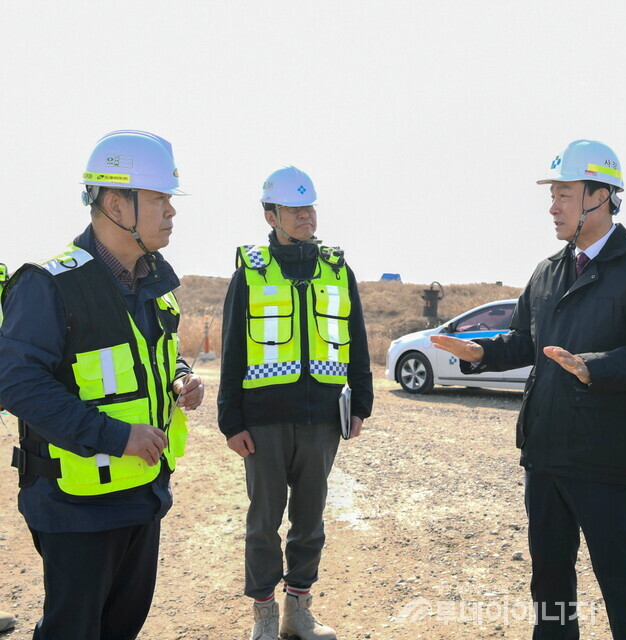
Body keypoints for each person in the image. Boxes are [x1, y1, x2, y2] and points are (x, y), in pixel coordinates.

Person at [431, 140, 626, 640]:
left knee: (618, 578)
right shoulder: (548, 270)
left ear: (601, 195)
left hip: (605, 456)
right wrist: (482, 352)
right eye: (552, 195)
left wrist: (594, 368)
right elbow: (526, 339)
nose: (553, 207)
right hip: (545, 453)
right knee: (549, 580)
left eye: (564, 195)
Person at [0, 130, 204, 640]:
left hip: (142, 494)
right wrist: (116, 435)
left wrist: (180, 378)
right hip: (75, 508)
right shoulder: (49, 284)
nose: (171, 211)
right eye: (158, 199)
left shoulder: (153, 282)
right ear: (115, 204)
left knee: (120, 628)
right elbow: (17, 383)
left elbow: (151, 356)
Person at [218, 166, 374, 640]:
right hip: (263, 423)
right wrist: (230, 421)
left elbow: (357, 339)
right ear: (272, 216)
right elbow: (231, 348)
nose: (306, 216)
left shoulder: (337, 270)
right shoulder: (250, 272)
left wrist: (361, 403)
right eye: (294, 209)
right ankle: (264, 618)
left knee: (310, 522)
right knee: (263, 523)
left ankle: (298, 613)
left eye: (309, 207)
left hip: (321, 420)